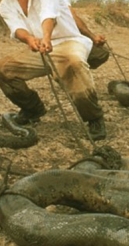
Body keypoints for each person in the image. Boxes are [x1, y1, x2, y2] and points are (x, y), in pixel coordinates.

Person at [0, 0, 106, 141]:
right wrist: (29, 39)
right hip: (39, 47)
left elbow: (48, 15)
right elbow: (16, 27)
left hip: (68, 41)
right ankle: (33, 109)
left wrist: (46, 37)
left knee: (74, 64)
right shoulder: (5, 3)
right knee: (4, 69)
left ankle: (94, 117)